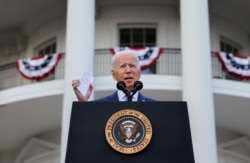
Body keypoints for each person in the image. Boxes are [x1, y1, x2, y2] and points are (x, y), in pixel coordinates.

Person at [71, 50, 156, 102]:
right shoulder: (99, 106)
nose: (128, 70)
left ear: (139, 73)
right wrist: (83, 104)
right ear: (114, 75)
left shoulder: (155, 106)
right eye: (123, 66)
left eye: (132, 66)